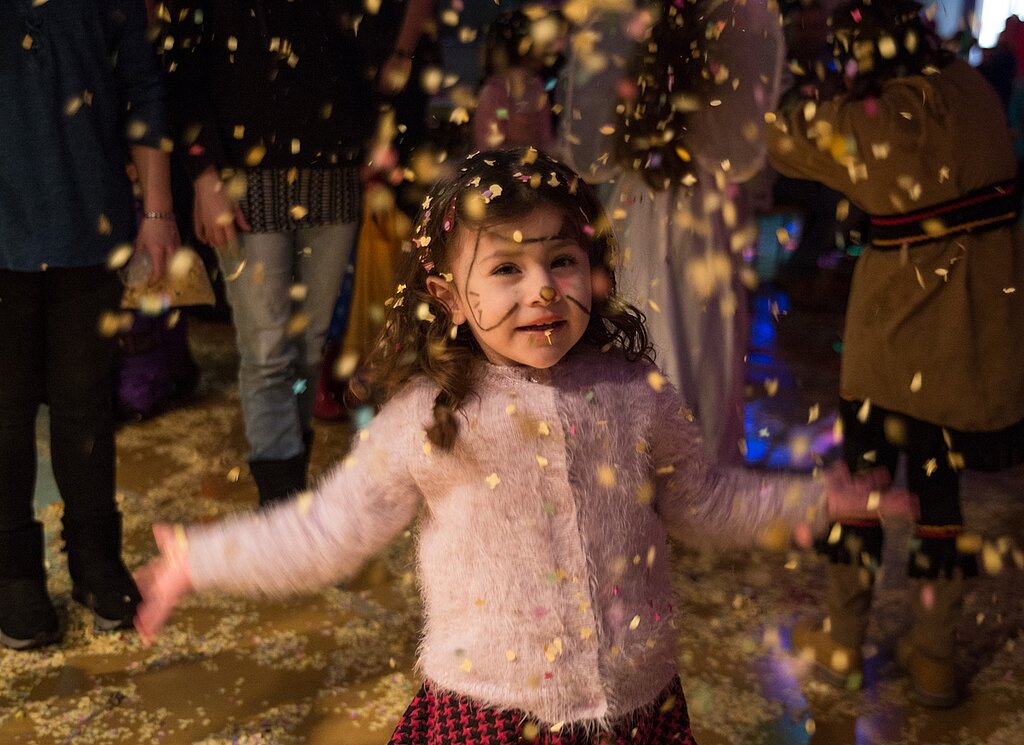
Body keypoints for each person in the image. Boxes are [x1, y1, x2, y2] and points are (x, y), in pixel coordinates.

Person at [132, 148, 914, 742]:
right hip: (490, 712)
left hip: (636, 705)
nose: (541, 290)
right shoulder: (429, 415)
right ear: (447, 294)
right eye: (506, 267)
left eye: (560, 261)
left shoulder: (635, 393)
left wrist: (820, 497)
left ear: (594, 272)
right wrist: (201, 560)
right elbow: (327, 532)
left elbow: (707, 503)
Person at [766, 0, 1024, 707]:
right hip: (971, 345)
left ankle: (845, 638)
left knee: (862, 491)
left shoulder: (865, 120)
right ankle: (935, 657)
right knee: (943, 501)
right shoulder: (971, 90)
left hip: (890, 343)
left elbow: (781, 137)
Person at [0, 0, 178, 649]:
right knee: (6, 410)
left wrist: (158, 210)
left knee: (84, 405)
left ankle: (94, 559)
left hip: (87, 213)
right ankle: (13, 569)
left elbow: (143, 85)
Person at [156, 1, 380, 507]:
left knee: (306, 347)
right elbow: (178, 69)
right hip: (242, 177)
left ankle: (290, 496)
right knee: (267, 350)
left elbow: (364, 48)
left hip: (335, 169)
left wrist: (375, 139)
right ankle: (281, 504)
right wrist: (204, 174)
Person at [558, 0, 785, 465]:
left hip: (638, 208)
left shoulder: (633, 107)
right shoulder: (713, 86)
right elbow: (743, 157)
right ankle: (691, 454)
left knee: (650, 315)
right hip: (696, 212)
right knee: (697, 329)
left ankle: (644, 449)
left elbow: (592, 150)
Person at [473, 7, 557, 153]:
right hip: (504, 170)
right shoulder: (496, 93)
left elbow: (546, 136)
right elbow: (489, 147)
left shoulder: (536, 87)